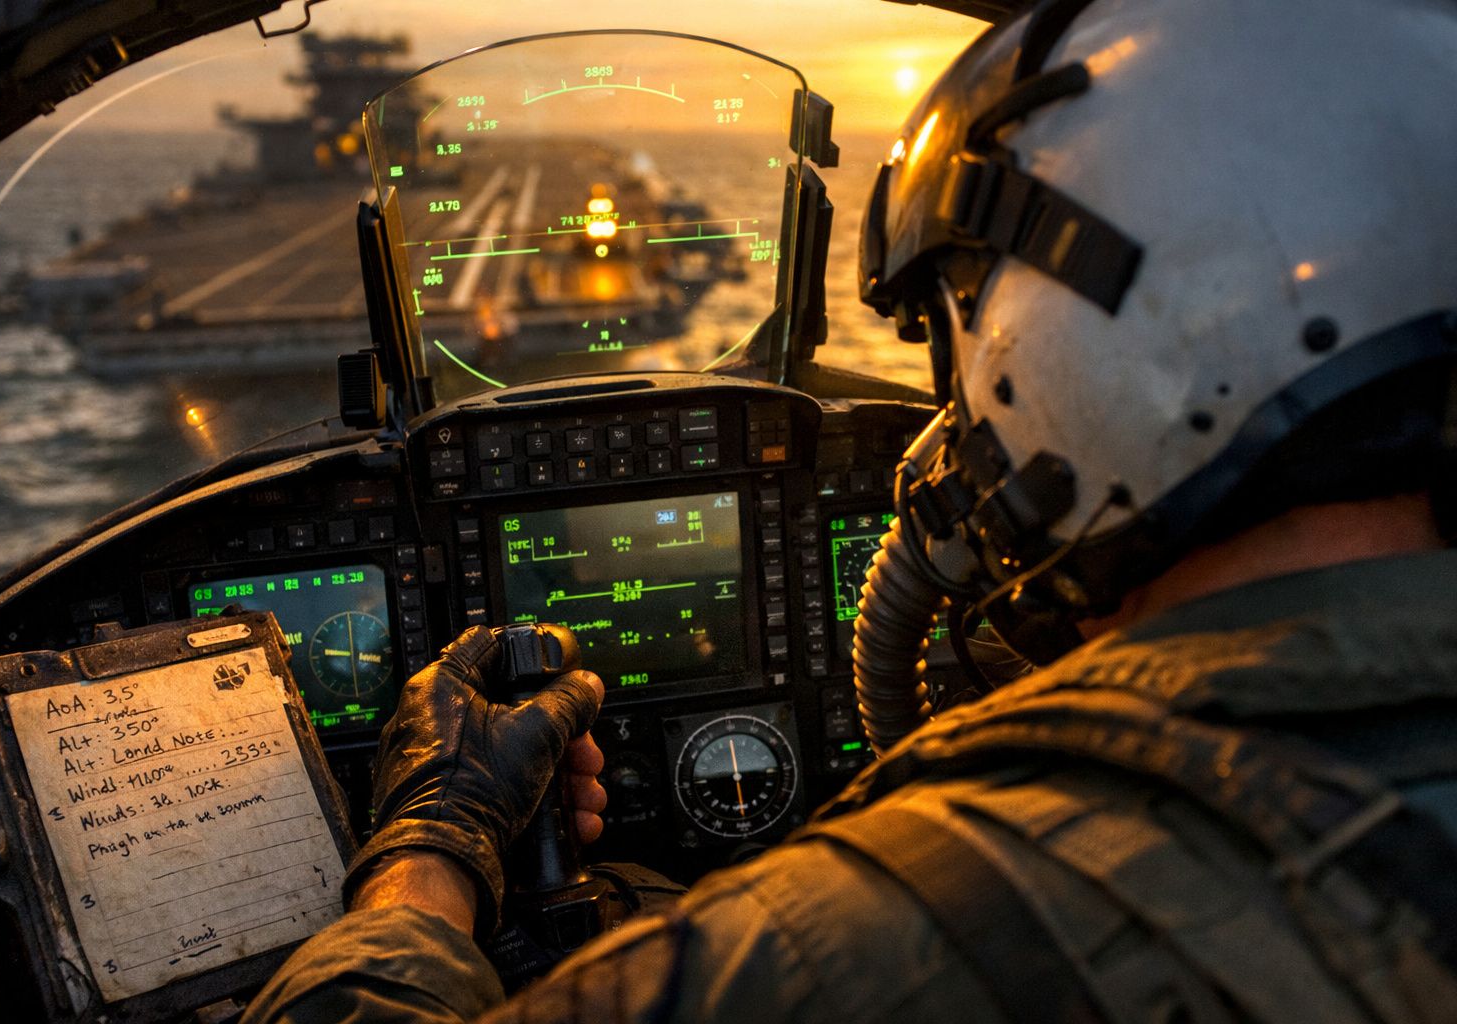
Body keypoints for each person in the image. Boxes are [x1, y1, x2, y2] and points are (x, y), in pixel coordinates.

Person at [244, 0, 1457, 1019]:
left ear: (1080, 349)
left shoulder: (822, 951)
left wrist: (430, 847)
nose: (954, 418)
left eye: (960, 338)